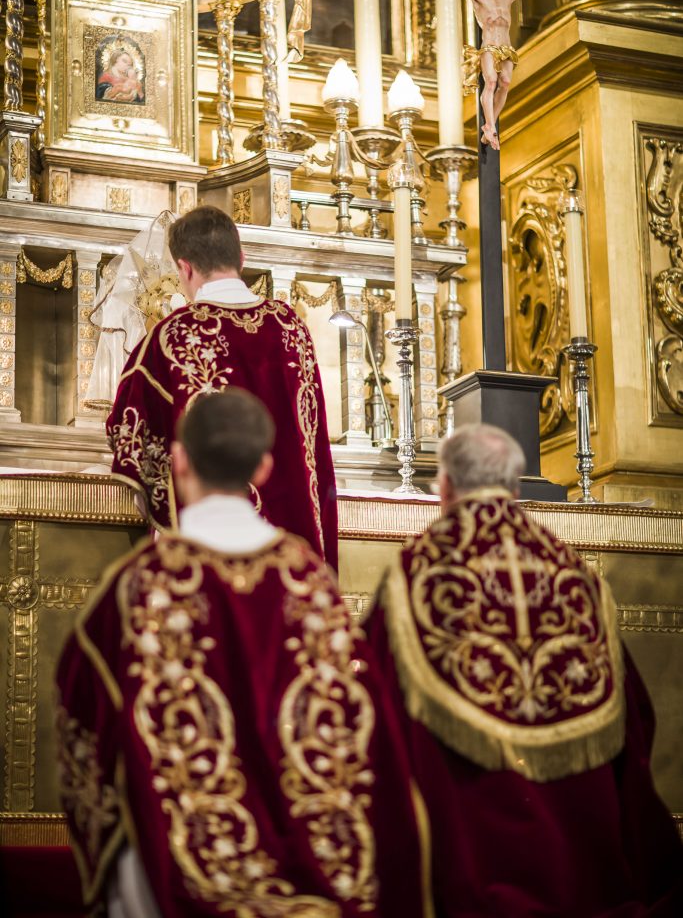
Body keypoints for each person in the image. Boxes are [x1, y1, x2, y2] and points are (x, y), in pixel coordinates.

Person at [57, 389, 430, 918]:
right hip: (311, 882)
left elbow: (83, 728)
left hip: (173, 880)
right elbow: (363, 731)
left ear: (180, 460)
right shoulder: (312, 586)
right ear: (264, 466)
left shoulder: (135, 587)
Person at [364, 423, 683, 917]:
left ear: (445, 486)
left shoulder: (416, 576)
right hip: (582, 886)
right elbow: (632, 722)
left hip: (465, 877)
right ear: (514, 488)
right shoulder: (576, 575)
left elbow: (372, 716)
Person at [107, 205, 338, 568]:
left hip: (204, 552)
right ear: (241, 258)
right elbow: (314, 446)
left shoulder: (171, 336)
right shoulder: (292, 329)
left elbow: (131, 435)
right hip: (292, 552)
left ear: (184, 267)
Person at [409, 0, 558, 150]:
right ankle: (489, 125)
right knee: (490, 82)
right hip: (489, 47)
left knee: (505, 83)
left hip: (507, 48)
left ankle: (490, 126)